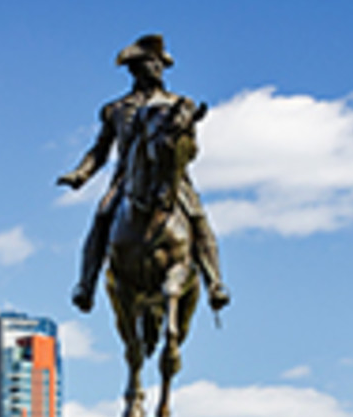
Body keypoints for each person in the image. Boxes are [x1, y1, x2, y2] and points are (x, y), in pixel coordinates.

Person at [58, 34, 228, 314]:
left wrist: (180, 147)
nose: (158, 68)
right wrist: (80, 174)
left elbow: (192, 149)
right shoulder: (116, 110)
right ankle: (85, 285)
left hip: (171, 178)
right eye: (152, 62)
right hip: (127, 181)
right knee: (101, 217)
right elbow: (100, 150)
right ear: (135, 68)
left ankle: (215, 283)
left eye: (160, 62)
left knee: (197, 217)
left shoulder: (180, 105)